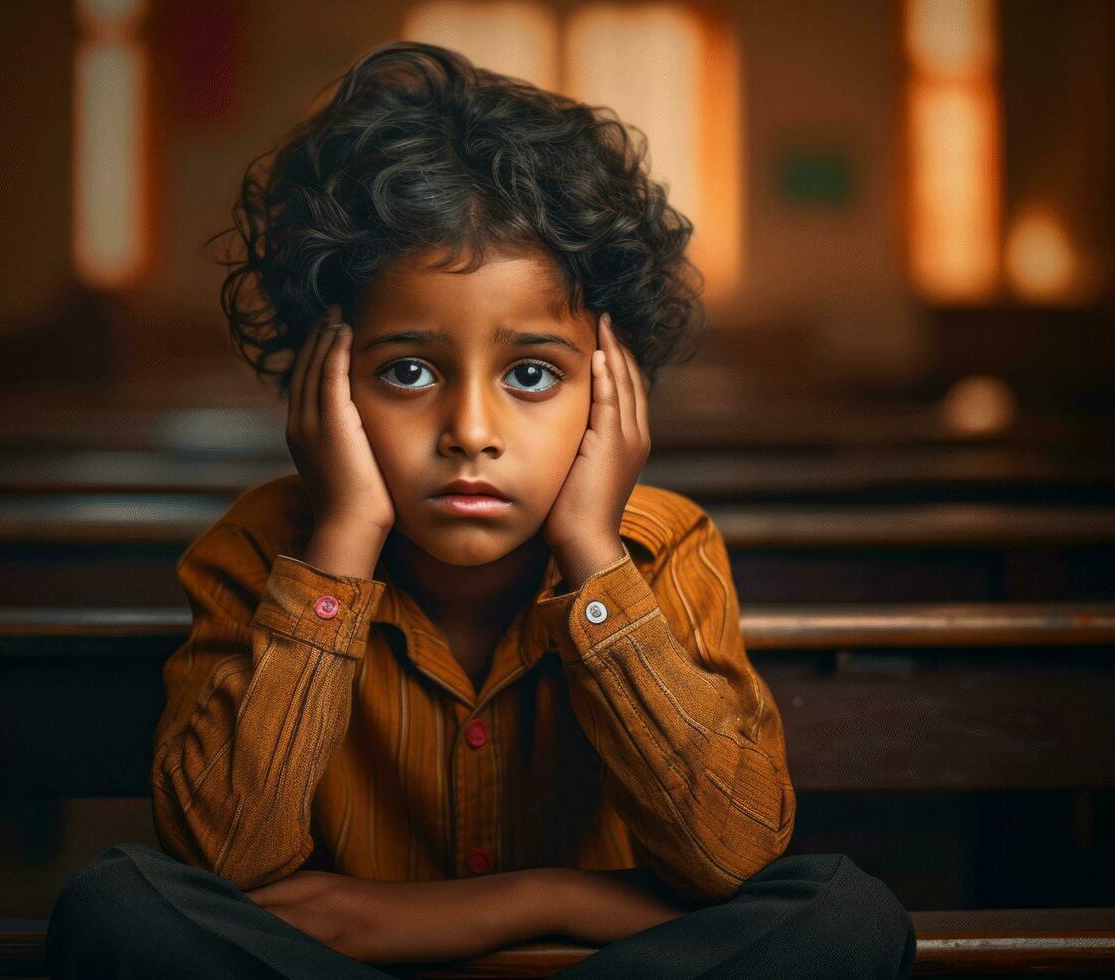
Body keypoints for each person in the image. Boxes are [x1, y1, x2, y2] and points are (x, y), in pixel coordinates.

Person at [47, 40, 915, 979]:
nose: (469, 429)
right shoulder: (258, 553)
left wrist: (526, 895)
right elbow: (227, 859)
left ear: (608, 388)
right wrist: (338, 551)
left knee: (843, 915)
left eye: (532, 374)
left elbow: (732, 854)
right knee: (117, 907)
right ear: (321, 385)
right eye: (407, 371)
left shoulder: (661, 550)